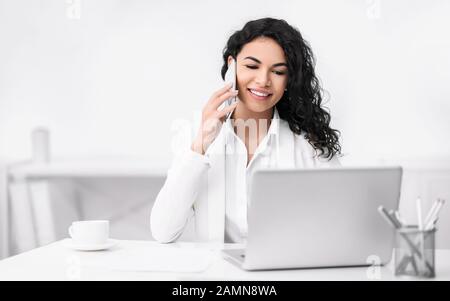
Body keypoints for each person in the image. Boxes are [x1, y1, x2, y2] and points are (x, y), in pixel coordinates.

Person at [150, 17, 342, 244]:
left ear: (289, 79)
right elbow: (163, 231)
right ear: (232, 66)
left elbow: (339, 225)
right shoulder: (196, 137)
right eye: (252, 66)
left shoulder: (307, 143)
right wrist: (201, 144)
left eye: (278, 72)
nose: (263, 80)